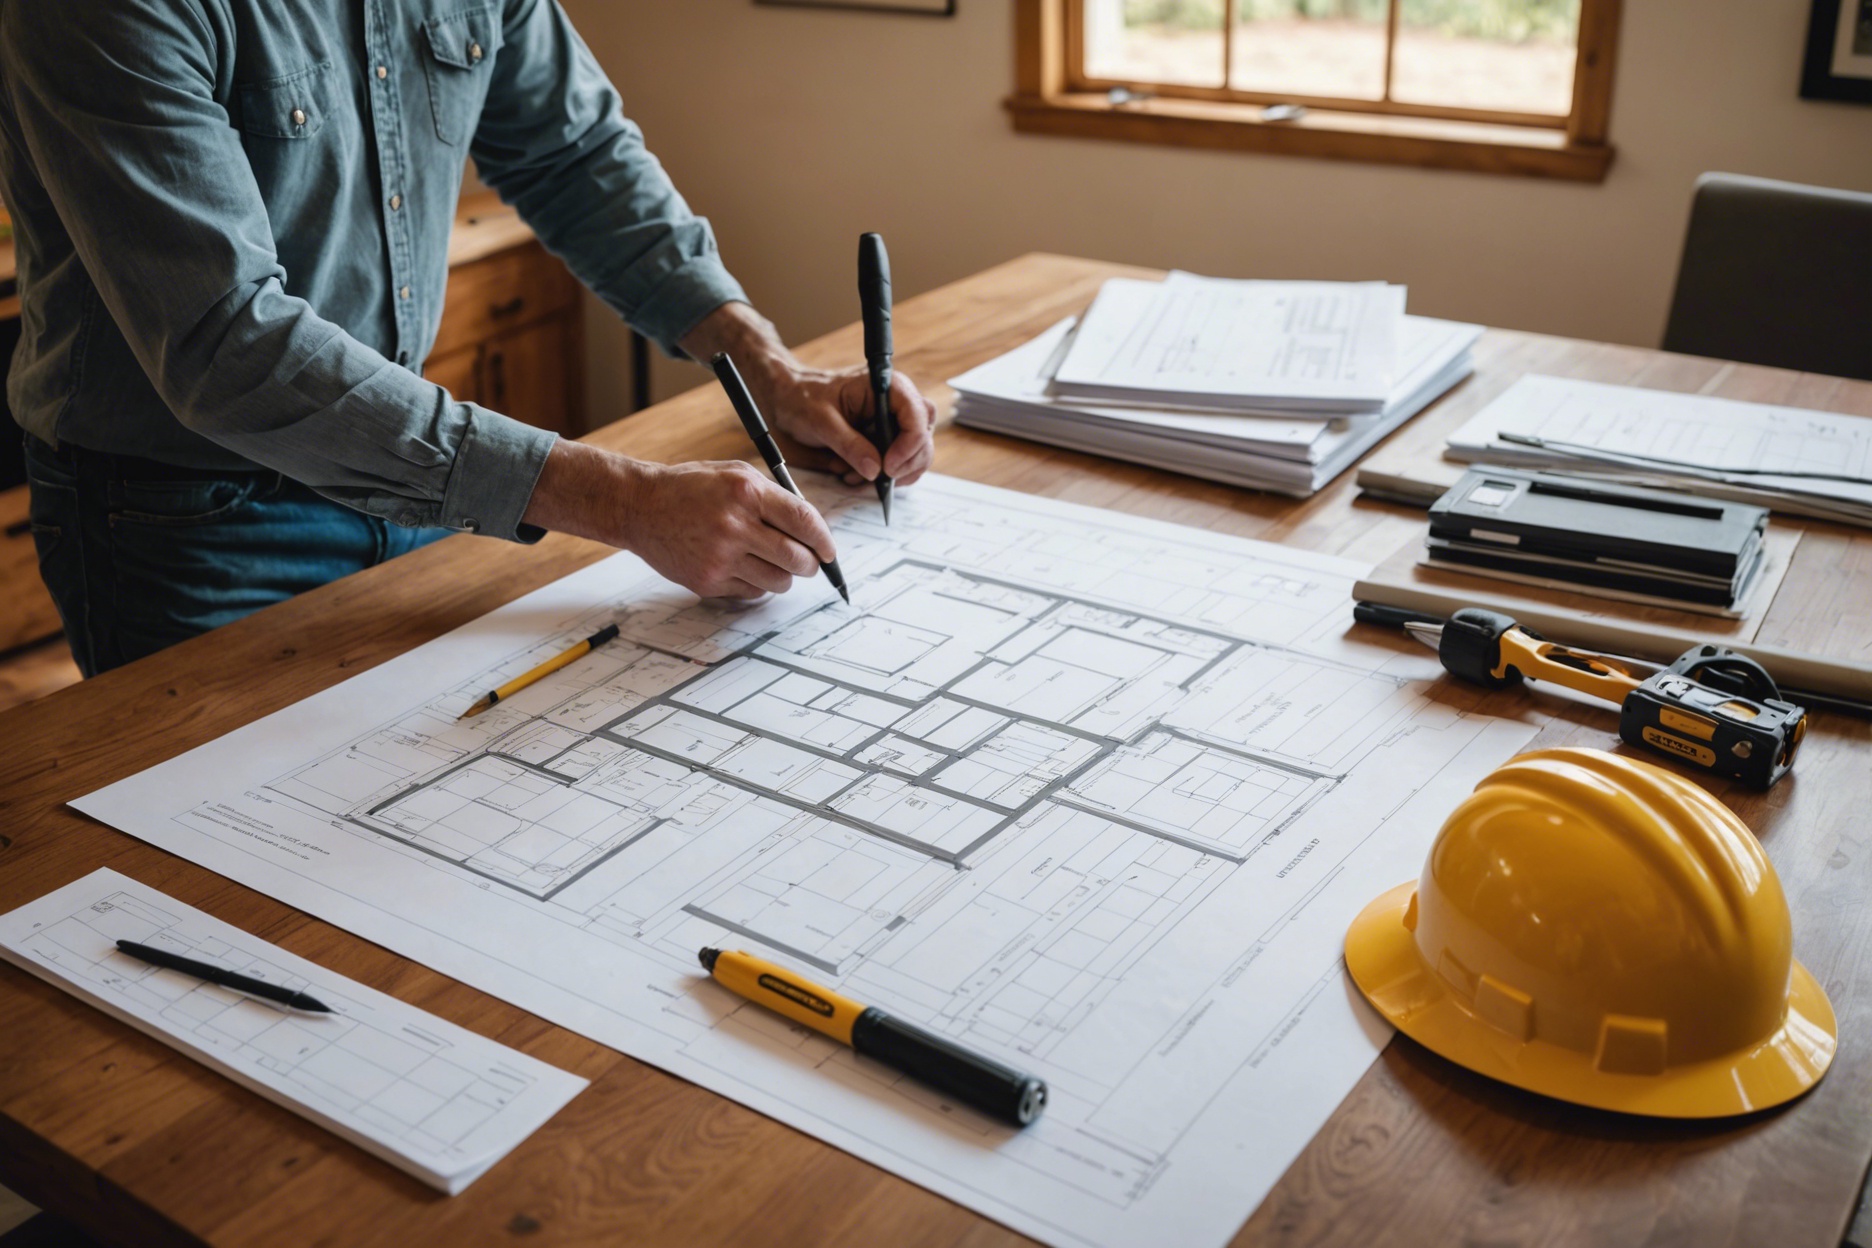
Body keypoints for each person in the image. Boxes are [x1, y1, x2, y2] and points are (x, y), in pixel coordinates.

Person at [0, 0, 935, 677]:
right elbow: (228, 344)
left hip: (407, 469)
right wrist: (628, 501)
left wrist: (768, 367)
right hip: (184, 520)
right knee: (227, 881)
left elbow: (575, 157)